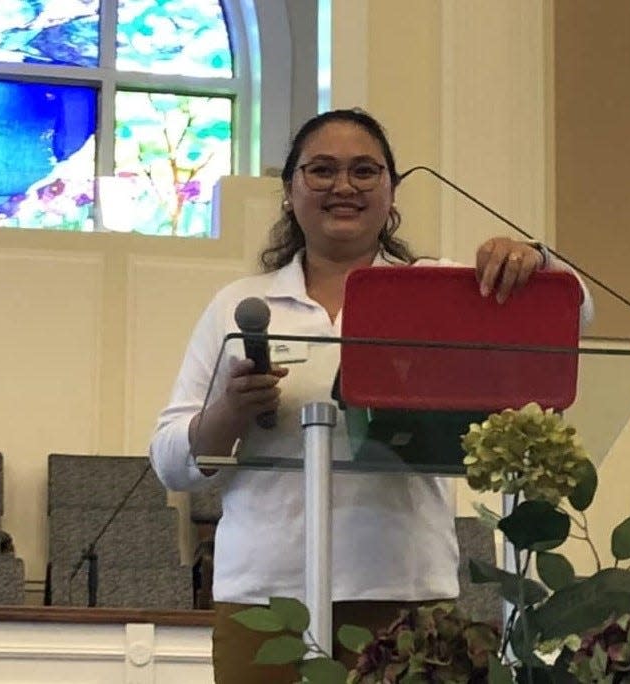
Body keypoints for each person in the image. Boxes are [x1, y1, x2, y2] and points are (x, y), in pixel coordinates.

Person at [149, 108, 593, 683]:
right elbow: (169, 463)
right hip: (265, 595)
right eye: (321, 170)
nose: (343, 187)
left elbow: (576, 310)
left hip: (401, 587)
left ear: (392, 190)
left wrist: (534, 261)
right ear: (289, 190)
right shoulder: (240, 303)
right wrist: (229, 411)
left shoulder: (439, 288)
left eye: (365, 171)